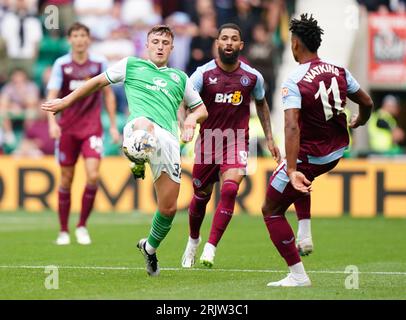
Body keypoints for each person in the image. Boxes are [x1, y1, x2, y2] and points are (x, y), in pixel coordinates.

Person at [42, 25, 208, 276]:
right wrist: (65, 102)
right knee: (144, 126)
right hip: (139, 127)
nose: (160, 46)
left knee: (169, 208)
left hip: (169, 140)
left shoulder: (180, 78)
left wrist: (190, 120)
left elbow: (201, 109)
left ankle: (150, 248)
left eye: (165, 42)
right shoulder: (131, 65)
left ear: (172, 48)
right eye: (156, 41)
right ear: (147, 45)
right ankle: (137, 156)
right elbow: (97, 83)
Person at [262, 14, 373, 287]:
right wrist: (360, 120)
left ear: (296, 43)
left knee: (271, 209)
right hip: (335, 152)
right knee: (302, 173)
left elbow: (291, 127)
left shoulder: (295, 80)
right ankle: (305, 233)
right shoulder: (339, 70)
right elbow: (366, 101)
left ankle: (298, 276)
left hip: (310, 156)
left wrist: (289, 170)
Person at [180, 23, 281, 269]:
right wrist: (186, 124)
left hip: (237, 141)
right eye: (224, 38)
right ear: (217, 42)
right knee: (201, 197)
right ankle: (193, 240)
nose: (228, 42)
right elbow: (183, 102)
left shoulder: (252, 77)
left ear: (240, 45)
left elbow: (262, 104)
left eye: (233, 39)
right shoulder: (202, 74)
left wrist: (269, 138)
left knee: (229, 191)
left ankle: (211, 248)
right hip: (208, 141)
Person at [46, 22, 120, 246]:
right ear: (70, 39)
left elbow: (108, 95)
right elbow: (52, 95)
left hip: (92, 129)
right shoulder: (62, 64)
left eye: (83, 35)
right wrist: (53, 123)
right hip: (68, 128)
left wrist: (114, 126)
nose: (79, 39)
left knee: (93, 175)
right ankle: (63, 230)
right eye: (75, 35)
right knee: (66, 179)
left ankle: (82, 226)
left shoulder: (99, 63)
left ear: (88, 39)